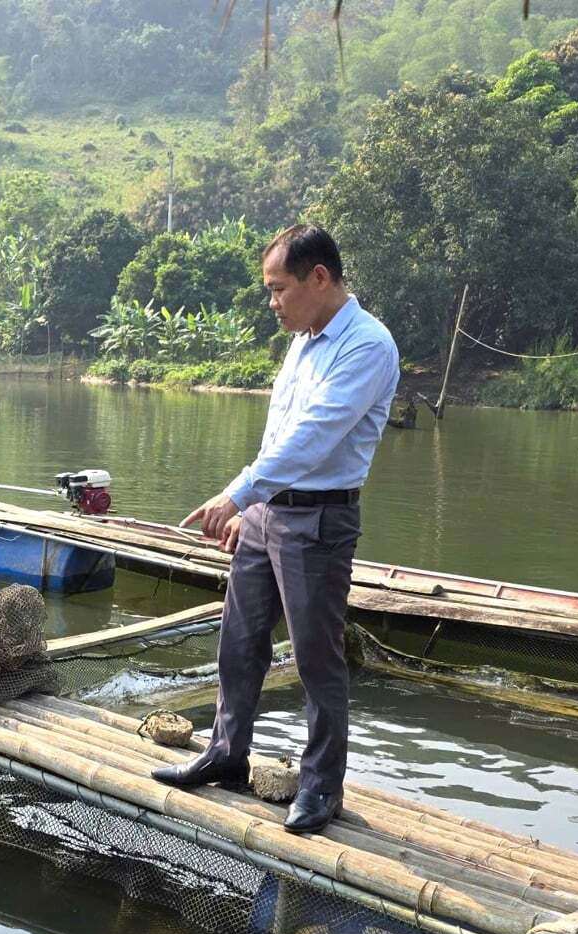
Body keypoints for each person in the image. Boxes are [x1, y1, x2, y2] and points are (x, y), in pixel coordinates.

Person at [150, 225, 400, 835]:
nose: (272, 303)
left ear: (320, 277)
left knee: (316, 656)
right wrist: (249, 508)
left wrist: (236, 493)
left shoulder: (367, 345)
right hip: (267, 512)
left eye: (279, 288)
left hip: (318, 518)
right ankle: (226, 753)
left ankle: (321, 787)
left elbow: (314, 438)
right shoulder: (302, 341)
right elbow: (278, 436)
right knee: (239, 642)